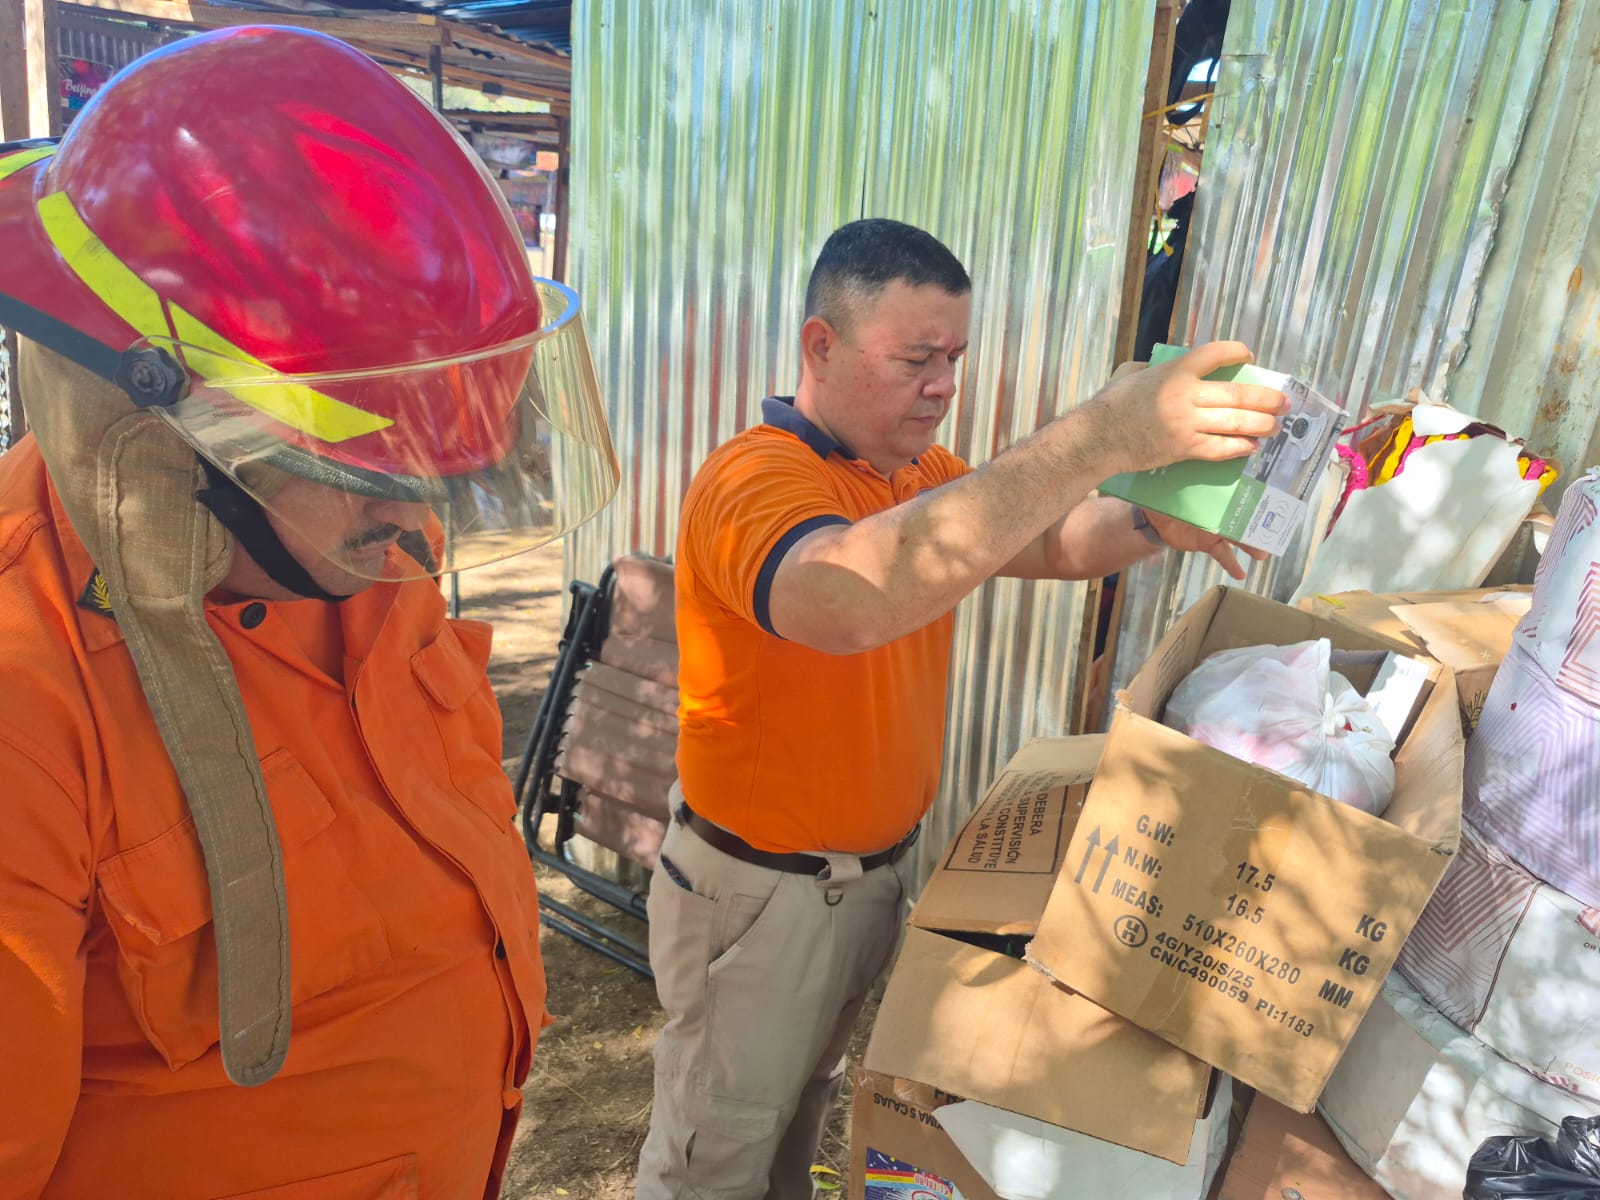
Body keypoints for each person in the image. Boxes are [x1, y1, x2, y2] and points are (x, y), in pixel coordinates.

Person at [0, 26, 617, 1198]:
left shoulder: (349, 547)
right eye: (366, 467)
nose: (419, 510)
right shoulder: (25, 693)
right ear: (169, 439)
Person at [635, 218, 1286, 1199]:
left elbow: (1051, 540)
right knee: (711, 1158)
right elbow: (843, 598)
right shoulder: (753, 478)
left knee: (790, 1127)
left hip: (867, 881)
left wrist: (1151, 518)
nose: (942, 385)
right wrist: (1100, 435)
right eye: (915, 359)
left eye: (955, 358)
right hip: (759, 897)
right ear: (821, 345)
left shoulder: (918, 477)